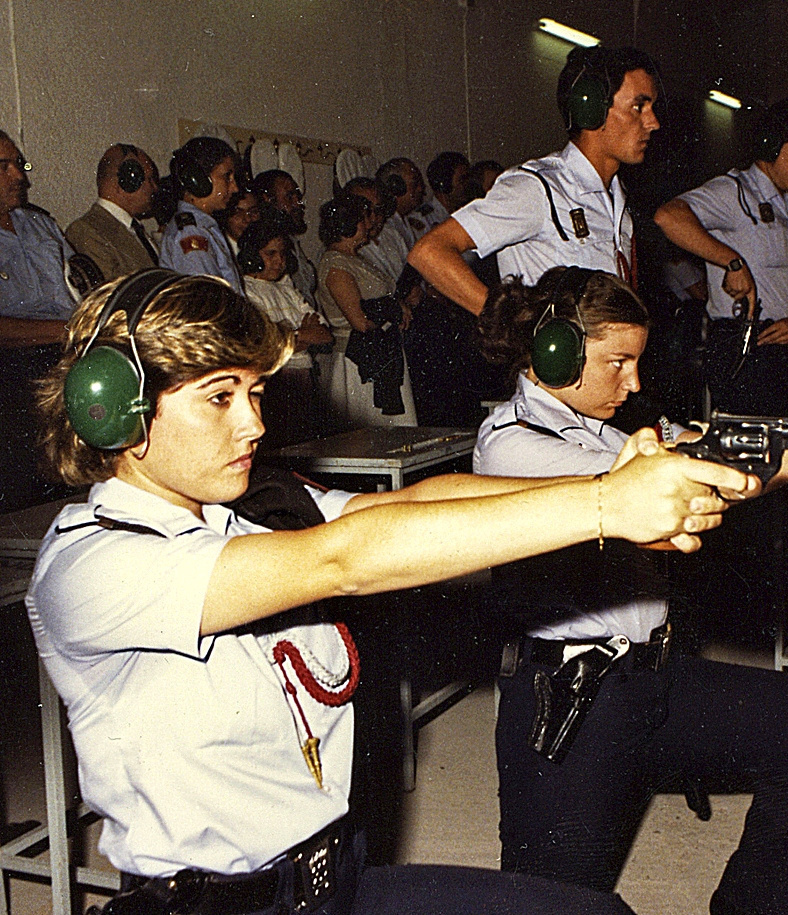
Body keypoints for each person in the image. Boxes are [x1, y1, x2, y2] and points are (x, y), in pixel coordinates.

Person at [28, 269, 748, 915]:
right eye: (221, 397)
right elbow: (343, 558)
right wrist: (606, 510)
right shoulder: (93, 563)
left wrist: (602, 487)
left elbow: (393, 510)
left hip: (338, 882)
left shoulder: (240, 506)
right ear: (112, 410)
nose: (255, 421)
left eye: (253, 392)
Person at [473, 266, 788, 915]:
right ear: (556, 352)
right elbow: (692, 482)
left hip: (656, 681)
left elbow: (737, 453)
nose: (634, 381)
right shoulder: (512, 449)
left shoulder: (609, 430)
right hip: (571, 707)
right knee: (550, 904)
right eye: (619, 362)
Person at [409, 45, 661, 315]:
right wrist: (512, 326)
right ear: (590, 109)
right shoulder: (538, 189)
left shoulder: (615, 200)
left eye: (651, 108)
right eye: (638, 107)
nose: (653, 122)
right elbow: (430, 252)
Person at [654, 101, 788, 416]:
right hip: (745, 347)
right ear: (769, 147)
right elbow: (669, 217)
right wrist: (731, 261)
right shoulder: (733, 193)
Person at [0, 129, 79, 507]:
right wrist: (66, 330)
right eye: (5, 166)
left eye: (19, 164)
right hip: (16, 366)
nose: (20, 176)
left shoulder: (42, 225)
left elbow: (78, 285)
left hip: (71, 352)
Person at [315, 195, 416, 429]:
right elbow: (360, 321)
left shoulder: (356, 258)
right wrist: (393, 309)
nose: (371, 222)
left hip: (383, 354)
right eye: (365, 217)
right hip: (358, 362)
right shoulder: (336, 264)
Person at [239, 217, 332, 447]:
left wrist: (290, 335)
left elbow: (324, 334)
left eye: (282, 254)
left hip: (305, 376)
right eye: (270, 254)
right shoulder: (247, 290)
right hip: (278, 382)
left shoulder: (286, 287)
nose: (279, 261)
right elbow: (267, 343)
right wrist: (301, 334)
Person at [66, 143, 161, 281]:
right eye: (150, 179)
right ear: (127, 181)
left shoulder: (136, 229)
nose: (155, 188)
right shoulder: (86, 232)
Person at [159, 136, 242, 291]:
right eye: (227, 177)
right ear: (198, 179)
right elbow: (207, 299)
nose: (234, 187)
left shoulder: (204, 227)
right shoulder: (191, 232)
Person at [252, 169, 318, 303]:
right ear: (268, 199)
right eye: (289, 197)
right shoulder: (260, 245)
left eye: (298, 197)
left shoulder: (291, 241)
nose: (297, 204)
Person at [216, 188, 261, 258]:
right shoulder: (218, 250)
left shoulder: (263, 250)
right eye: (238, 213)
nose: (247, 219)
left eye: (253, 212)